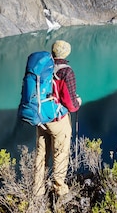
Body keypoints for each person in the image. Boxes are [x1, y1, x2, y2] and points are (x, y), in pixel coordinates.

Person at [33, 39, 82, 198]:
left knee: (41, 154)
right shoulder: (66, 72)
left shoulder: (42, 68)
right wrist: (78, 103)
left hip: (41, 118)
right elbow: (70, 103)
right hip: (58, 120)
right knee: (60, 153)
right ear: (66, 53)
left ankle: (37, 189)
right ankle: (59, 188)